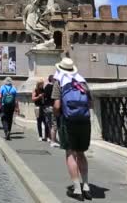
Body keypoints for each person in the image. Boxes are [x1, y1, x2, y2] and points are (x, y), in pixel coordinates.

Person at [52, 58, 92, 201]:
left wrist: (58, 116)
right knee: (81, 153)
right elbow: (91, 103)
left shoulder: (59, 82)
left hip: (68, 121)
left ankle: (76, 189)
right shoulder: (82, 82)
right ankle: (86, 186)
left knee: (70, 153)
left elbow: (57, 106)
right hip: (84, 121)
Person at [43, 75, 60, 148]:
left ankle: (50, 138)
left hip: (46, 107)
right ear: (53, 79)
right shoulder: (54, 87)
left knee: (49, 124)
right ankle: (53, 141)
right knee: (54, 125)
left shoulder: (46, 87)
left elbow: (44, 97)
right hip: (52, 107)